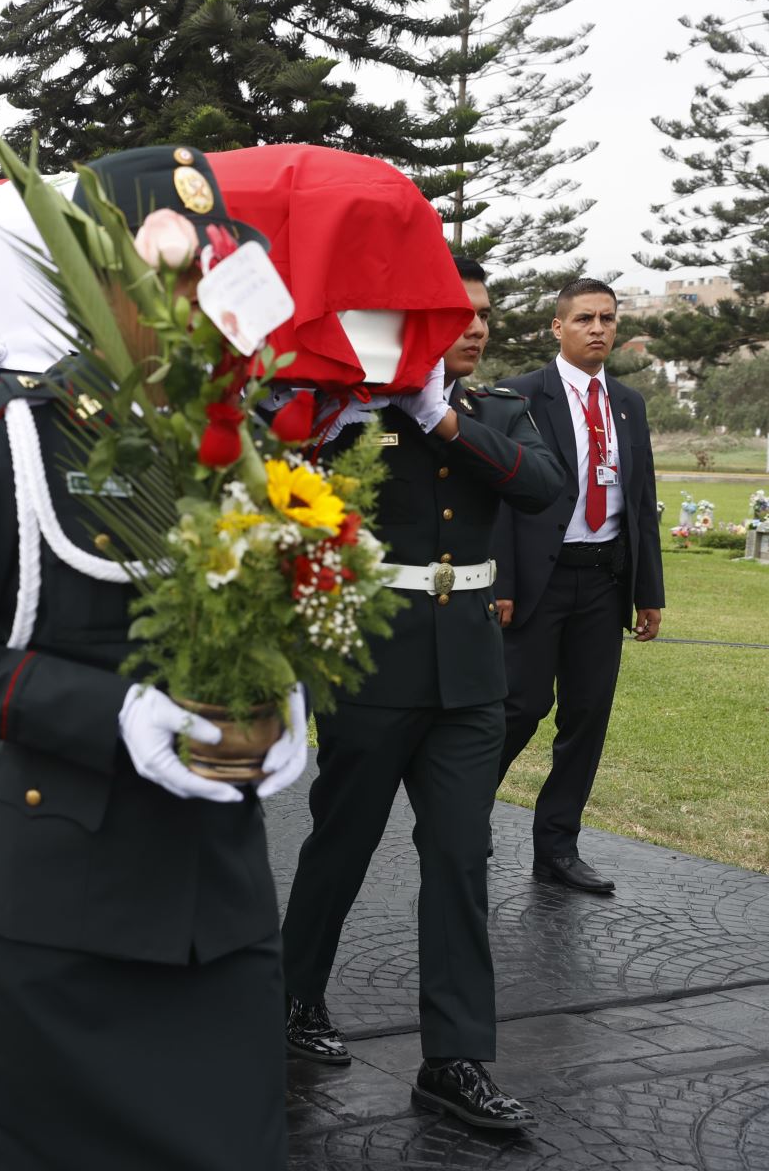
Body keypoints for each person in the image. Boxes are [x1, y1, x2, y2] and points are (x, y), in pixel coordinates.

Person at [0, 145, 305, 1169]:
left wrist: (292, 703)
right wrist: (114, 714)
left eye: (212, 274)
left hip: (218, 913)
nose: (197, 301)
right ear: (99, 280)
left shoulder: (237, 441)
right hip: (52, 922)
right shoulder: (13, 431)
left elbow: (266, 621)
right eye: (171, 279)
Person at [280, 256, 565, 1130]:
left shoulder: (497, 412)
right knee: (344, 838)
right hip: (374, 660)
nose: (474, 328)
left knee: (460, 854)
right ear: (414, 325)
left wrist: (439, 417)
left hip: (471, 670)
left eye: (483, 314)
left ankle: (455, 1057)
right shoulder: (348, 412)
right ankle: (293, 1001)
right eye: (456, 315)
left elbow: (543, 487)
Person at [493, 278, 666, 894]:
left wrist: (649, 592)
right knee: (522, 707)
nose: (599, 328)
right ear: (558, 328)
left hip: (603, 581)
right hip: (540, 580)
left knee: (587, 716)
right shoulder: (519, 396)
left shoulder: (629, 404)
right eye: (586, 318)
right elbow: (502, 501)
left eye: (608, 319)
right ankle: (461, 820)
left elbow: (640, 501)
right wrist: (502, 582)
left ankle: (557, 848)